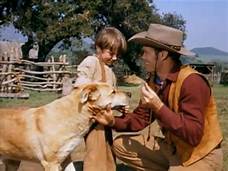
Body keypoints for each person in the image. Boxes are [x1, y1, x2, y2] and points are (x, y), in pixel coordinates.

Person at [90, 24, 223, 171]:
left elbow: (193, 135)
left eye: (146, 52)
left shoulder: (192, 82)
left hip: (200, 155)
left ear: (162, 55)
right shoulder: (154, 81)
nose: (142, 57)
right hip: (172, 149)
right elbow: (140, 119)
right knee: (120, 145)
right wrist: (112, 121)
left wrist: (158, 107)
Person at [74, 27, 127, 171]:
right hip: (93, 119)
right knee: (95, 151)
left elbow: (111, 97)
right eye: (111, 53)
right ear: (99, 47)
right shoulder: (91, 62)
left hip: (105, 120)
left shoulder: (111, 73)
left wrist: (118, 106)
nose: (115, 58)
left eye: (117, 54)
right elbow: (81, 82)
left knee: (108, 149)